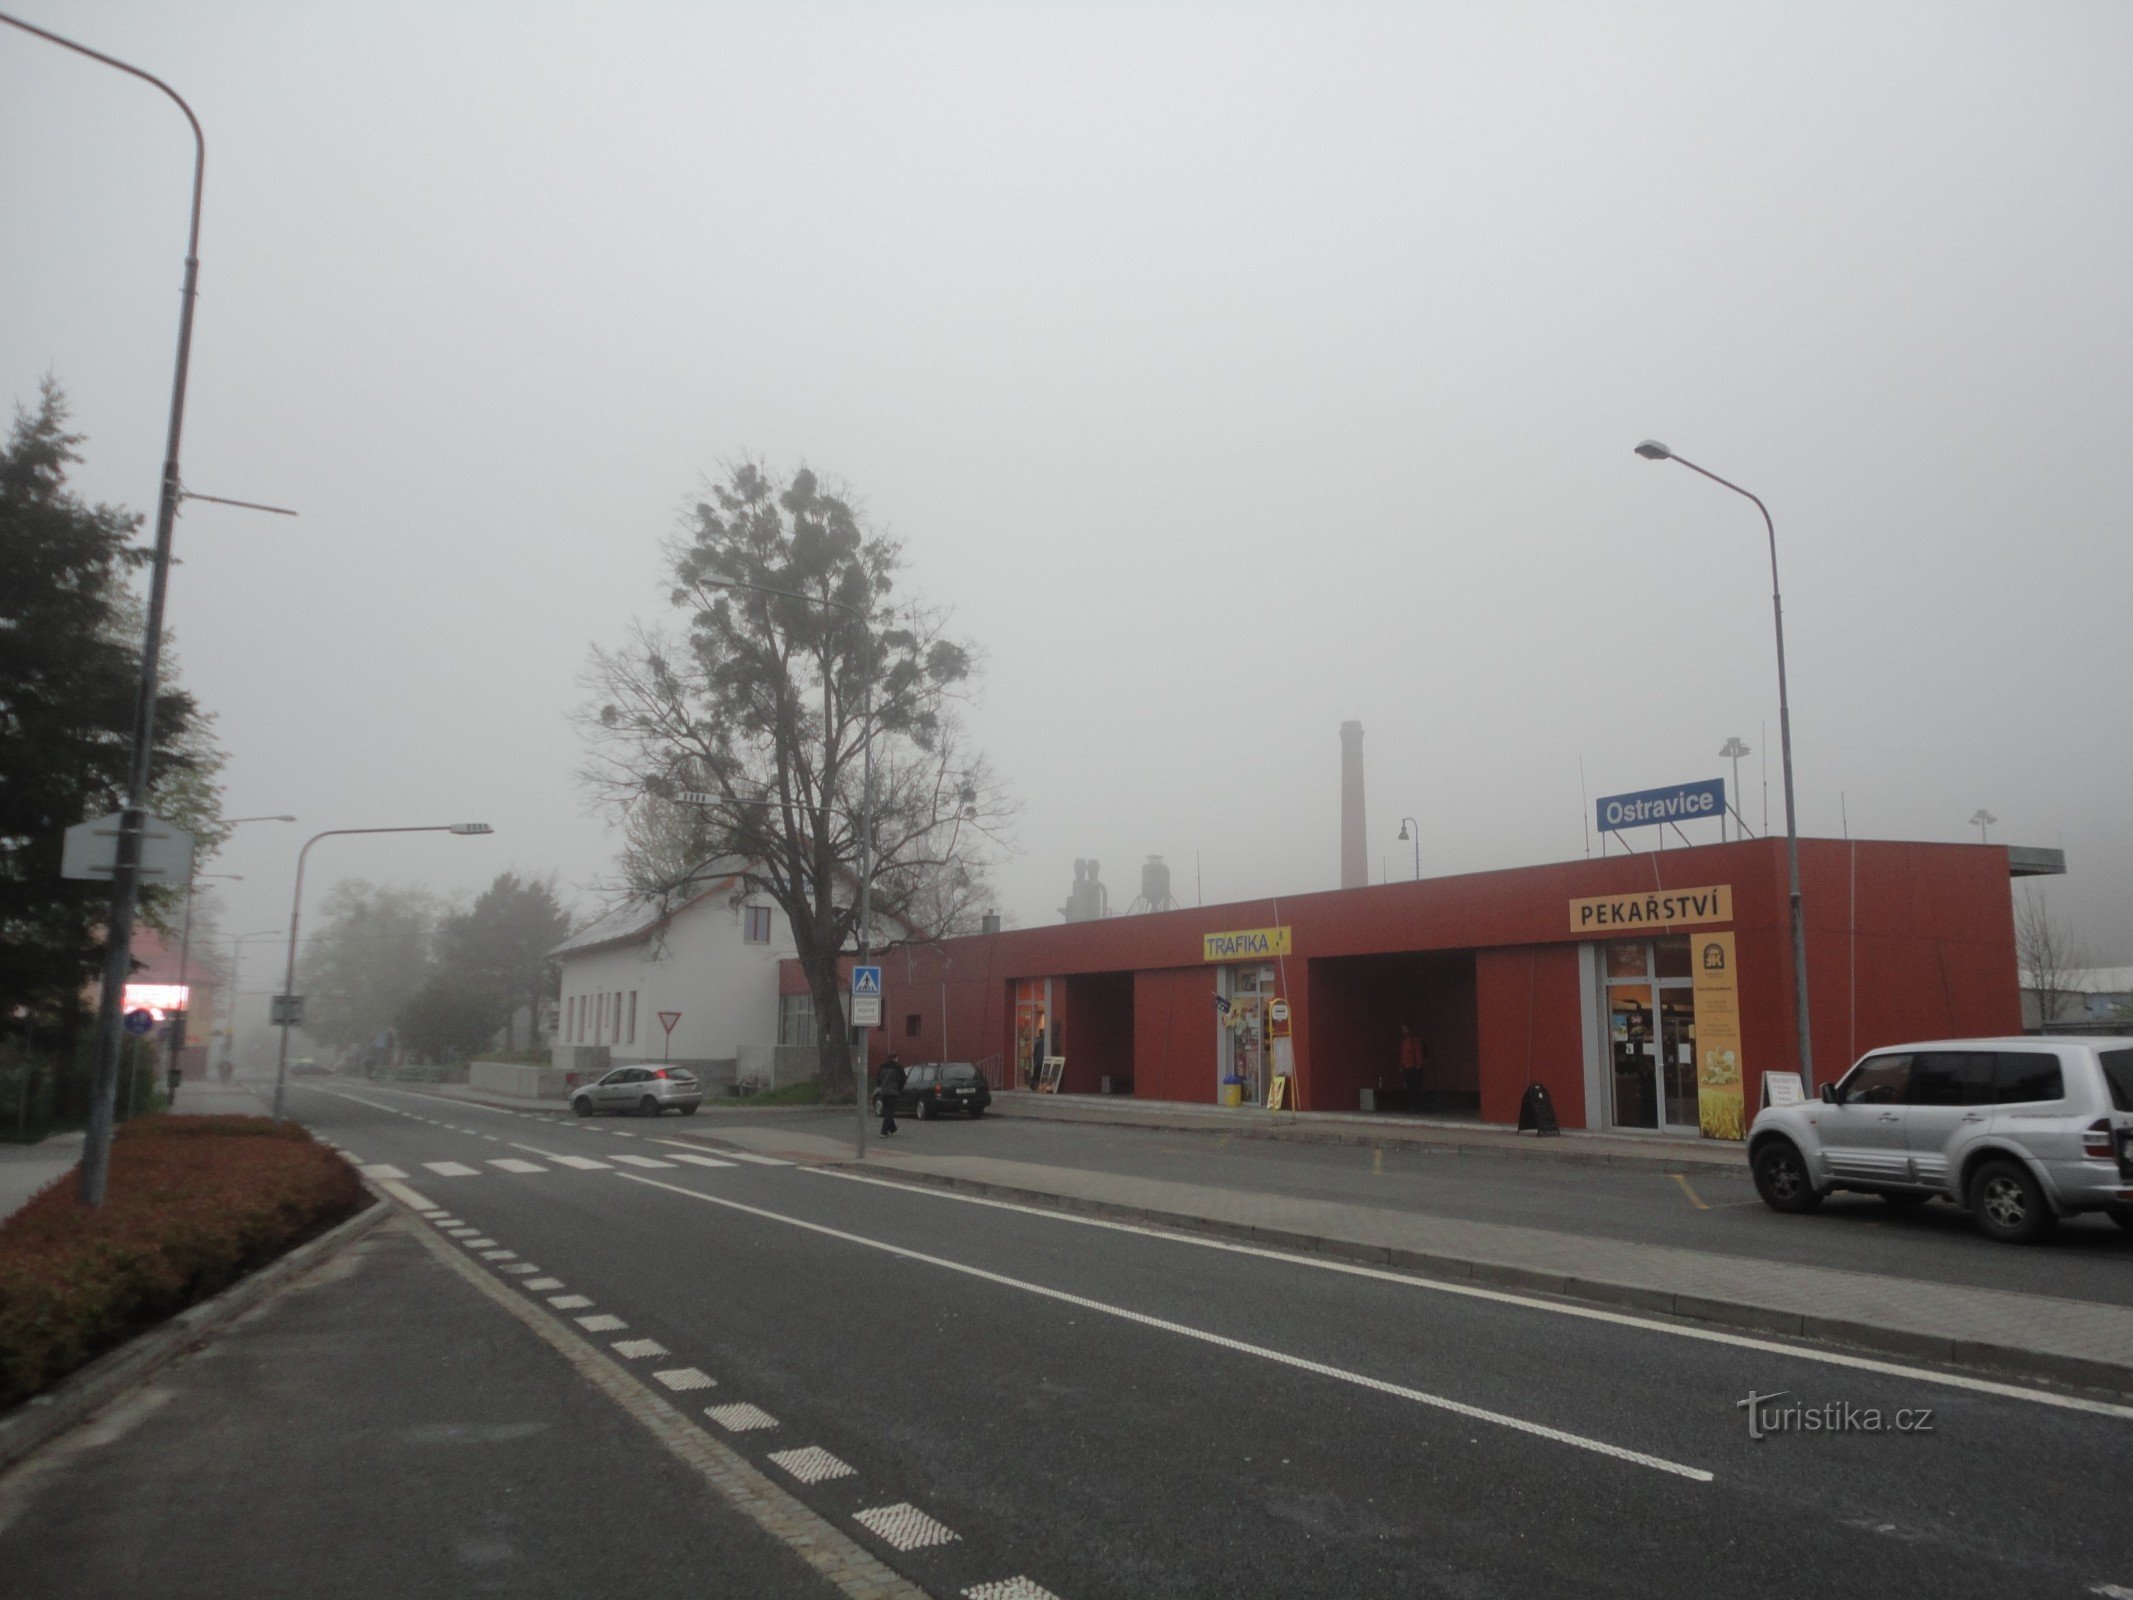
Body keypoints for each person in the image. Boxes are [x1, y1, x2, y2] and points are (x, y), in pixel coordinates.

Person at [876, 1053, 906, 1136]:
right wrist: (899, 1088)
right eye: (897, 1058)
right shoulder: (898, 1067)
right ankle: (884, 1131)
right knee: (889, 1111)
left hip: (884, 1091)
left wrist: (881, 1086)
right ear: (895, 1058)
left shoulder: (882, 1067)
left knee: (886, 1111)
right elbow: (903, 1079)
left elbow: (878, 1078)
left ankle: (892, 1128)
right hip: (893, 1092)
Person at [1398, 1023, 1425, 1109]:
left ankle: (1415, 1106)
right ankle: (1413, 1106)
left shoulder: (1412, 1040)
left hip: (1413, 1067)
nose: (1404, 1031)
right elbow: (1404, 1055)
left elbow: (1418, 1053)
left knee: (1414, 1088)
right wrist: (1402, 1065)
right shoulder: (1405, 1041)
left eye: (1405, 1028)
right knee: (1411, 1088)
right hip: (1408, 1067)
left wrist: (1418, 1064)